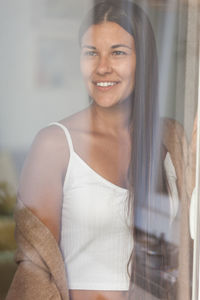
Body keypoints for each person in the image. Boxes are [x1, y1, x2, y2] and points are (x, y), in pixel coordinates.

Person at [6, 1, 195, 300]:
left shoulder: (169, 141)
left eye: (118, 52)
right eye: (91, 52)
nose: (102, 66)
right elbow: (35, 270)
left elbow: (183, 248)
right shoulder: (55, 145)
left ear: (143, 60)